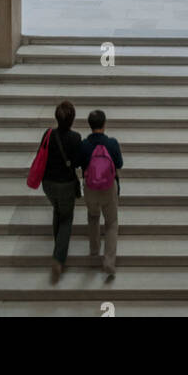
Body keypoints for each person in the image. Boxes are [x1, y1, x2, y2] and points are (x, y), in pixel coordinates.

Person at [38, 100, 84, 284]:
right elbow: (78, 162)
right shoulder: (75, 138)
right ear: (72, 120)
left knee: (57, 210)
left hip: (48, 183)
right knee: (66, 218)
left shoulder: (48, 134)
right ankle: (58, 258)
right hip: (65, 184)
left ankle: (58, 246)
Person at [80, 109, 123, 281]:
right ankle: (109, 262)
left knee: (93, 216)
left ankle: (93, 250)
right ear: (104, 124)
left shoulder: (84, 145)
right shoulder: (112, 143)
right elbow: (119, 163)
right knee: (111, 222)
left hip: (90, 189)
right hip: (108, 189)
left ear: (90, 126)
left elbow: (79, 164)